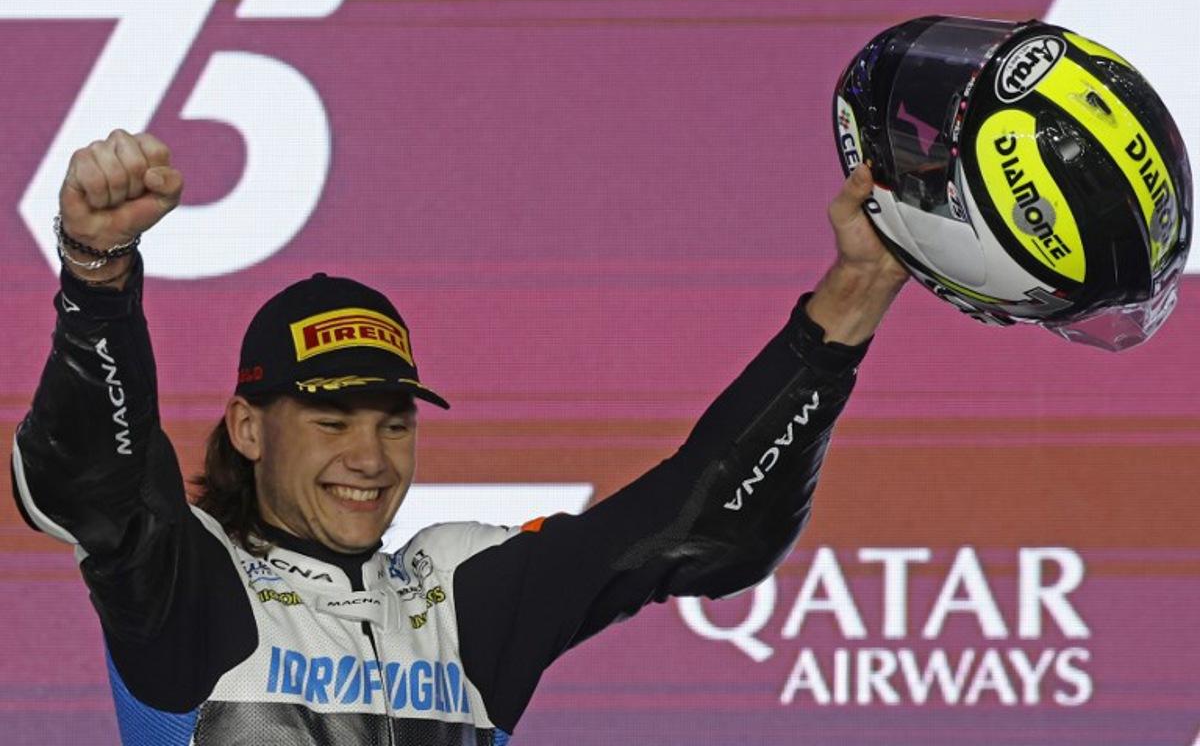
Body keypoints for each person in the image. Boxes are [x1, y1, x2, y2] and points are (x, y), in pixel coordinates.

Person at [11, 129, 907, 745]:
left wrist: (854, 292)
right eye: (331, 423)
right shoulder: (187, 580)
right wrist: (96, 277)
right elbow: (90, 476)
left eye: (394, 424)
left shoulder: (457, 589)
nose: (370, 459)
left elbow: (708, 526)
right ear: (248, 428)